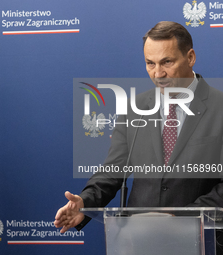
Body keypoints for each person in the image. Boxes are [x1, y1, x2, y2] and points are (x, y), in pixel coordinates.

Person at [54, 21, 223, 234]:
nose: (158, 74)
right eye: (150, 63)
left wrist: (184, 218)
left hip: (201, 239)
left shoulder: (220, 108)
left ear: (190, 57)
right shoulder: (135, 108)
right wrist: (84, 203)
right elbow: (113, 170)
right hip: (140, 238)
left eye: (167, 62)